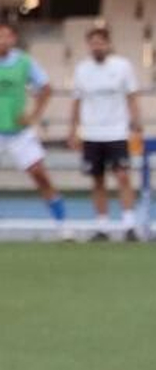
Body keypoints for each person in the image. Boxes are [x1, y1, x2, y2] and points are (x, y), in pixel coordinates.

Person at [69, 27, 141, 242]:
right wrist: (73, 129)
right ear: (88, 46)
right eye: (93, 43)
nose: (97, 47)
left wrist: (136, 124)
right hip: (92, 133)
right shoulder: (82, 70)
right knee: (97, 180)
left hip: (117, 131)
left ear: (108, 44)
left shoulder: (122, 66)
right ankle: (102, 226)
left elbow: (132, 96)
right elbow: (76, 101)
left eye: (100, 42)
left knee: (123, 177)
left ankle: (129, 224)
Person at [0, 22, 69, 239]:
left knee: (40, 176)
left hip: (18, 132)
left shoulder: (24, 62)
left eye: (6, 36)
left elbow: (46, 89)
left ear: (14, 39)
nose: (2, 40)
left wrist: (34, 115)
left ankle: (62, 226)